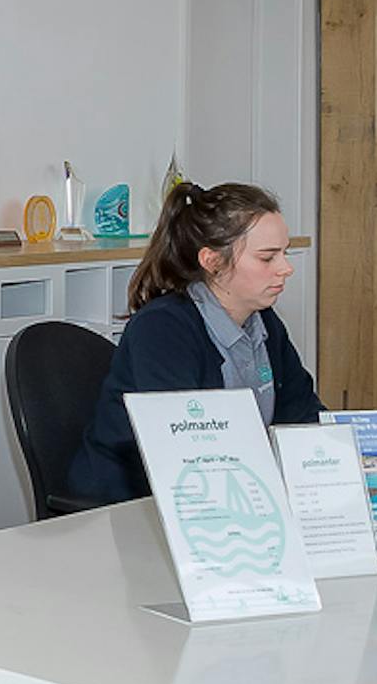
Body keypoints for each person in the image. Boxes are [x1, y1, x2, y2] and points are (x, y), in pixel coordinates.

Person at [58, 179, 320, 505]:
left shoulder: (264, 321)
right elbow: (187, 448)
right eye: (268, 258)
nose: (286, 268)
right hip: (130, 506)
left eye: (285, 253)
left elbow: (303, 414)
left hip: (227, 495)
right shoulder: (162, 329)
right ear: (212, 261)